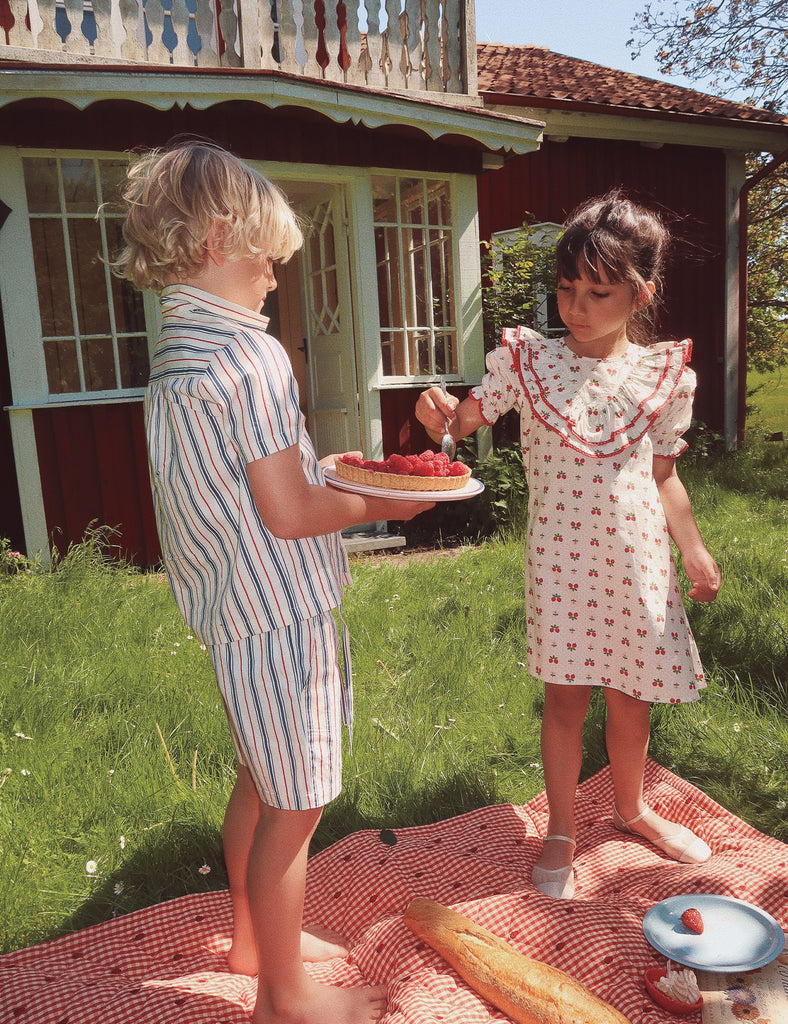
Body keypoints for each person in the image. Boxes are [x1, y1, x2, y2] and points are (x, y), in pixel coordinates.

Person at [114, 139, 434, 1024]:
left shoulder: (176, 361)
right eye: (265, 256)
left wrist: (317, 469)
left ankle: (257, 943)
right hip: (283, 612)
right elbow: (290, 514)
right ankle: (282, 997)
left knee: (261, 776)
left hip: (231, 612)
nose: (272, 278)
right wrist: (376, 502)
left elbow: (246, 480)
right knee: (297, 801)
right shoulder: (252, 359)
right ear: (220, 236)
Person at [416, 190, 721, 900]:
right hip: (561, 568)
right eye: (565, 288)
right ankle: (560, 827)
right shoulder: (529, 364)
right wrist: (435, 411)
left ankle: (631, 807)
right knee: (565, 703)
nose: (574, 307)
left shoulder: (663, 377)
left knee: (630, 701)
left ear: (641, 293)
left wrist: (695, 549)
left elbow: (664, 478)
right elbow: (460, 420)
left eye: (596, 291)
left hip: (636, 564)